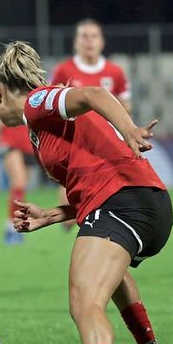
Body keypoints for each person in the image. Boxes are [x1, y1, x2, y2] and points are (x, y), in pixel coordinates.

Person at [0, 41, 171, 344]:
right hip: (143, 203)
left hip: (126, 202)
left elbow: (93, 94)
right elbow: (90, 186)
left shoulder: (38, 104)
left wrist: (129, 129)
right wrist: (52, 215)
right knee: (112, 278)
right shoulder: (39, 129)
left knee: (84, 299)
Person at [51, 19, 132, 229]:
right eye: (84, 36)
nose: (89, 41)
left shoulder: (115, 72)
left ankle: (103, 222)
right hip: (76, 140)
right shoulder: (63, 70)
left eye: (94, 36)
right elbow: (51, 102)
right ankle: (70, 213)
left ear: (102, 41)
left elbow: (126, 104)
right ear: (76, 42)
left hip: (107, 139)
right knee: (69, 219)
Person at [0, 110, 35, 244]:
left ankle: (11, 225)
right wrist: (3, 118)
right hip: (10, 141)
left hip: (29, 141)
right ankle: (13, 228)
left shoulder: (33, 89)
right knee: (19, 182)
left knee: (21, 187)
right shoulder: (3, 90)